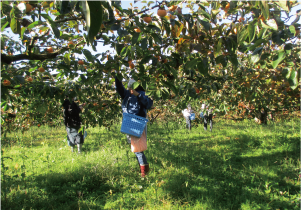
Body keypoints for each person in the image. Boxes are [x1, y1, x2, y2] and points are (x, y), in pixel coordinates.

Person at [115, 76, 153, 177]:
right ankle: (143, 169)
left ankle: (144, 173)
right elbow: (119, 87)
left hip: (137, 123)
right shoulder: (127, 94)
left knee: (138, 149)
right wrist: (117, 75)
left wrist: (138, 95)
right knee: (136, 148)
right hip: (129, 122)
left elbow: (149, 104)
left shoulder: (143, 94)